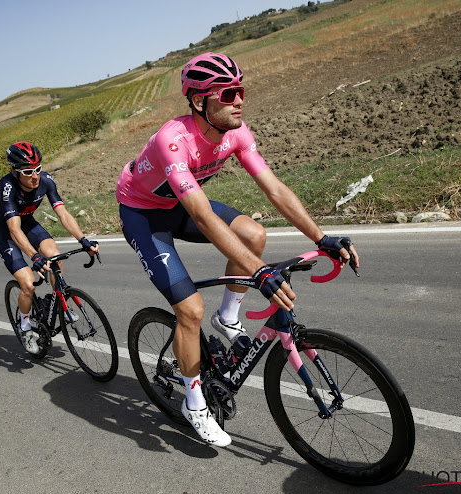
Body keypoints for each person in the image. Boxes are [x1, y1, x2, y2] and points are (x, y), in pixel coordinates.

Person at [116, 52, 360, 447]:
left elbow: (275, 189)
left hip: (177, 204)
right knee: (190, 309)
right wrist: (259, 272)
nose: (239, 100)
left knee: (254, 236)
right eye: (228, 93)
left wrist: (320, 238)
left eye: (241, 90)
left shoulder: (237, 133)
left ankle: (227, 318)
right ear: (199, 102)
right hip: (143, 213)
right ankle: (194, 404)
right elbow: (201, 214)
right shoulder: (172, 140)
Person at [0, 142, 99, 354]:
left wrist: (83, 240)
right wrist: (34, 256)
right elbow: (14, 230)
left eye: (38, 169)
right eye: (28, 171)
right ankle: (26, 326)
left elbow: (63, 214)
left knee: (55, 255)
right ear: (14, 172)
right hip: (6, 230)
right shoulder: (7, 187)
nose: (35, 176)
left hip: (26, 222)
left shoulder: (46, 181)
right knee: (28, 284)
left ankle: (58, 300)